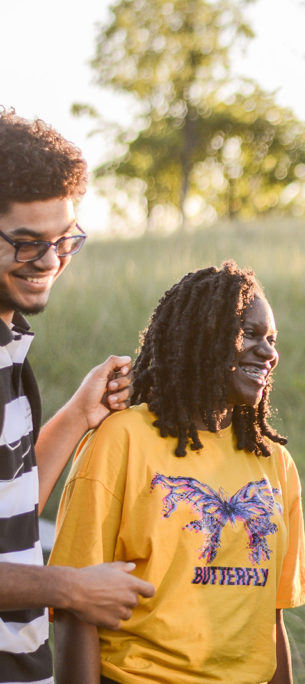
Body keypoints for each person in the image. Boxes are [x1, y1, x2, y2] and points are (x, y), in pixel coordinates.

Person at [48, 262, 305, 683]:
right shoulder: (122, 439)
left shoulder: (273, 461)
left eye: (272, 339)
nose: (269, 353)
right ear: (201, 336)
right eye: (250, 334)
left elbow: (271, 618)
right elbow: (74, 606)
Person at [0, 107, 154, 684]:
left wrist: (77, 415)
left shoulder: (10, 350)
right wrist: (70, 586)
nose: (48, 261)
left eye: (63, 240)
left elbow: (8, 519)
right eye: (25, 242)